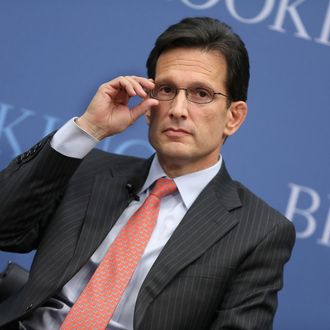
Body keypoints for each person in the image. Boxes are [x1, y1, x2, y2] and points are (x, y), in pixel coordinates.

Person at [0, 16, 295, 330]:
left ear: (233, 117)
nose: (178, 109)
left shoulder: (260, 231)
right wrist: (87, 130)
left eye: (201, 94)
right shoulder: (87, 170)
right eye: (166, 89)